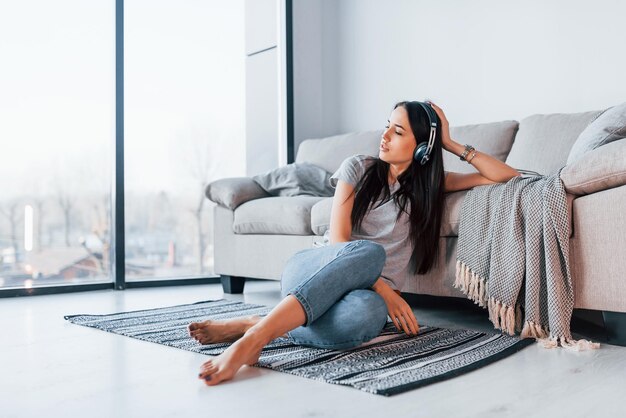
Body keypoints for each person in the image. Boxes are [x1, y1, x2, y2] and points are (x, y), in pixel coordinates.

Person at [189, 100, 521, 386]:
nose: (385, 136)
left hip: (361, 297)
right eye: (387, 126)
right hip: (315, 270)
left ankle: (258, 323)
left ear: (421, 147)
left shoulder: (431, 188)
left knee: (365, 318)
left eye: (399, 132)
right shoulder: (358, 167)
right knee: (368, 252)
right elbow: (338, 243)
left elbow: (509, 176)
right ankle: (252, 341)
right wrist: (386, 289)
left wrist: (448, 142)